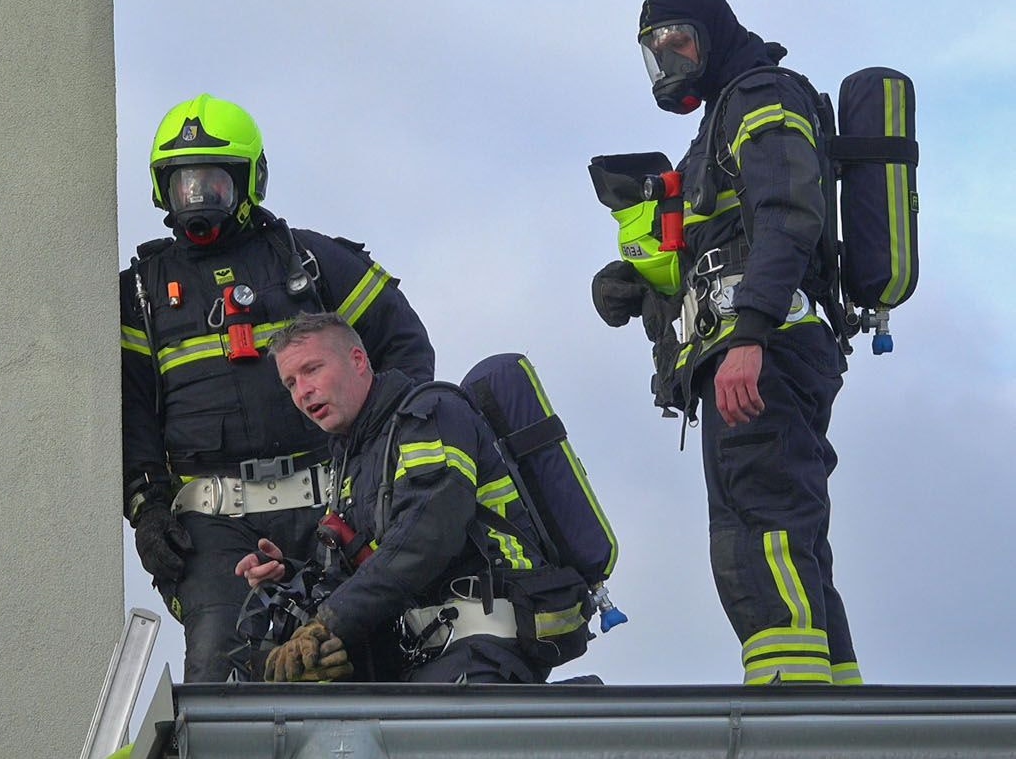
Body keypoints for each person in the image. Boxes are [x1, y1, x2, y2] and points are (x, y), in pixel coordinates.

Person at [120, 94, 435, 683]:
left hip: (334, 505)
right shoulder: (139, 294)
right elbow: (131, 413)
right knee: (221, 663)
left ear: (249, 181)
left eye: (214, 183)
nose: (199, 199)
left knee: (358, 656)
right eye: (185, 184)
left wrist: (383, 455)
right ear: (163, 190)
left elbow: (405, 346)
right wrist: (147, 508)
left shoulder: (312, 261)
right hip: (212, 526)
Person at [591, 0, 861, 685]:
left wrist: (749, 338)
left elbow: (787, 213)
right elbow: (716, 246)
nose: (668, 59)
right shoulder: (719, 118)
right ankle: (836, 696)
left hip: (762, 349)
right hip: (755, 345)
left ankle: (791, 699)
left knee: (759, 526)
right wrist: (637, 284)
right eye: (655, 49)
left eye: (676, 39)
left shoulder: (761, 93)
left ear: (711, 33)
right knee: (785, 529)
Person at [236, 312, 578, 684]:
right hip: (425, 655)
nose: (302, 392)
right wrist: (290, 574)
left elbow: (427, 536)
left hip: (486, 642)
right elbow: (354, 568)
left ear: (357, 360)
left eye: (312, 369)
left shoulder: (428, 414)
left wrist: (330, 621)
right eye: (290, 383)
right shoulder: (354, 459)